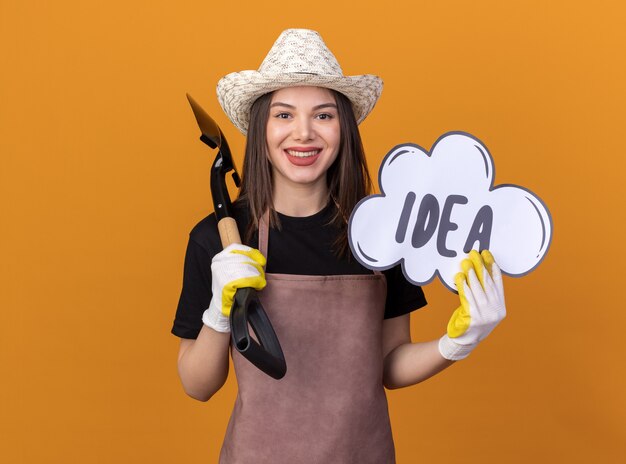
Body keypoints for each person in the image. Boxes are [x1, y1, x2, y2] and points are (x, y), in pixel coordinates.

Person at [172, 29, 506, 463]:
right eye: (284, 115)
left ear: (343, 127)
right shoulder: (217, 239)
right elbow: (197, 386)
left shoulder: (383, 231)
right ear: (261, 128)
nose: (304, 133)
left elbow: (388, 364)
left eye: (324, 115)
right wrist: (218, 313)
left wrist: (457, 343)